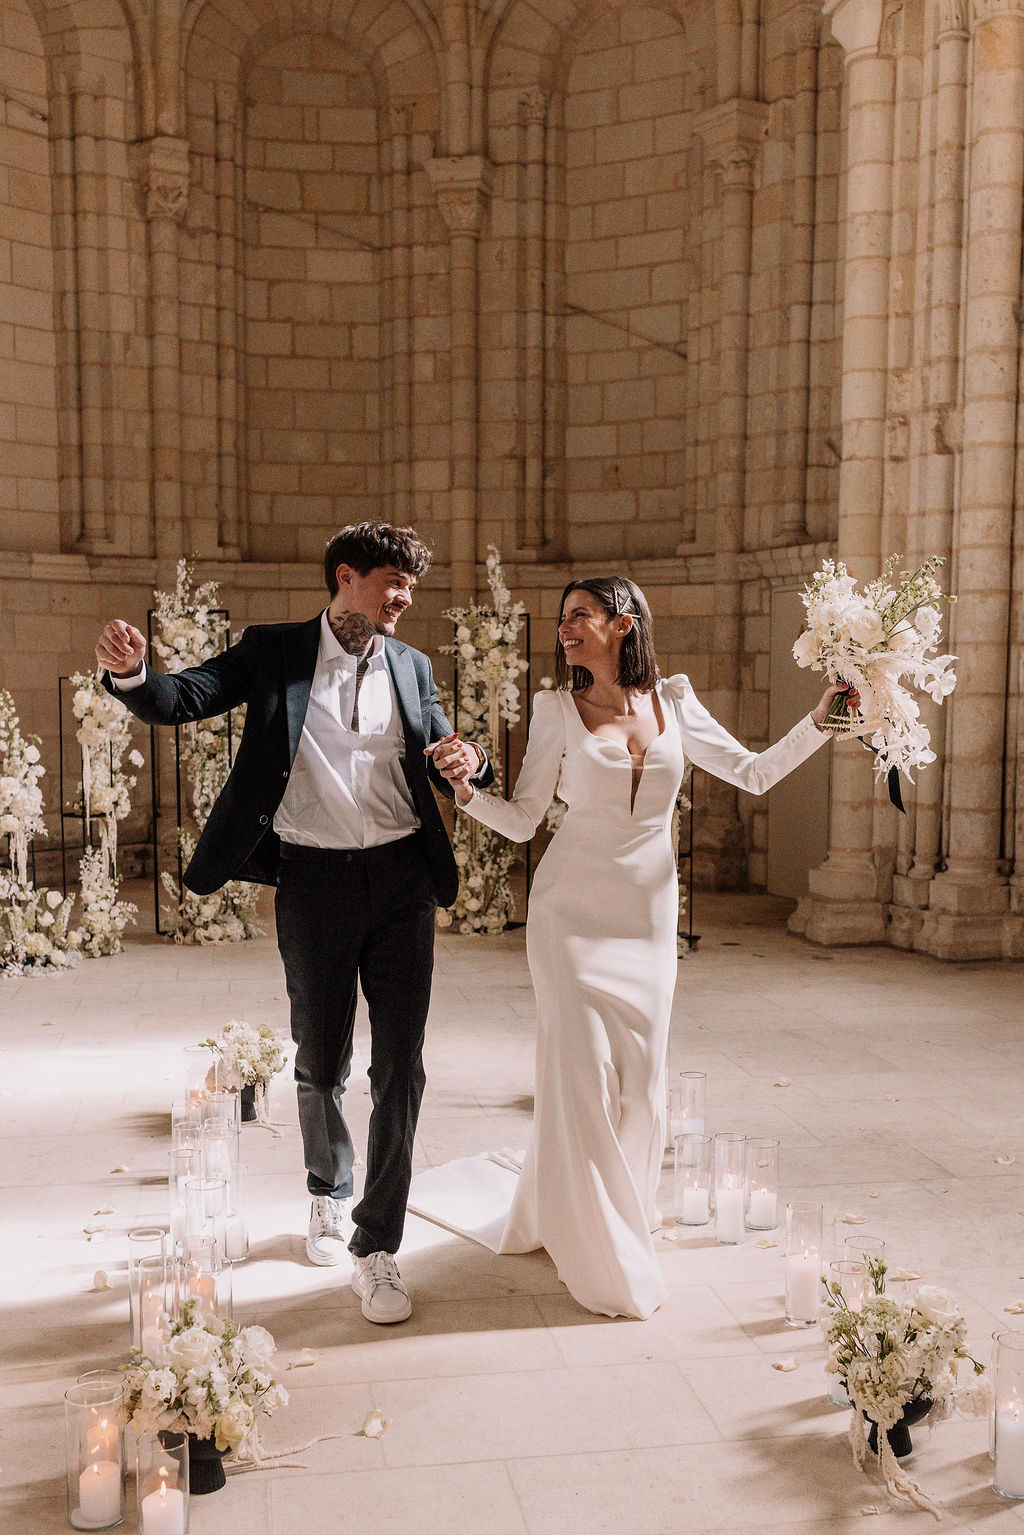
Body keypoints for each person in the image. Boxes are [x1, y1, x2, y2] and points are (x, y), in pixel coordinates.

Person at [427, 575, 854, 1320]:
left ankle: (615, 1211)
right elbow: (527, 820)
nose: (564, 629)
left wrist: (818, 720)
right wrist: (465, 793)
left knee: (640, 1084)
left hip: (648, 917)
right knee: (580, 1076)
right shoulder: (556, 709)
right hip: (569, 917)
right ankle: (601, 1249)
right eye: (562, 620)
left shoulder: (677, 702)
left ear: (624, 623)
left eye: (579, 616)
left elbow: (752, 772)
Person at [95, 522, 490, 1325]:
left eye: (411, 584)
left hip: (404, 880)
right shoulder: (275, 649)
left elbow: (446, 747)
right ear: (345, 577)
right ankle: (327, 1189)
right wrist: (134, 674)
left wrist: (469, 761)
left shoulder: (412, 665)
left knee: (402, 1068)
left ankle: (377, 1244)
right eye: (391, 581)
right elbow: (189, 696)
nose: (405, 597)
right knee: (320, 1056)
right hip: (312, 881)